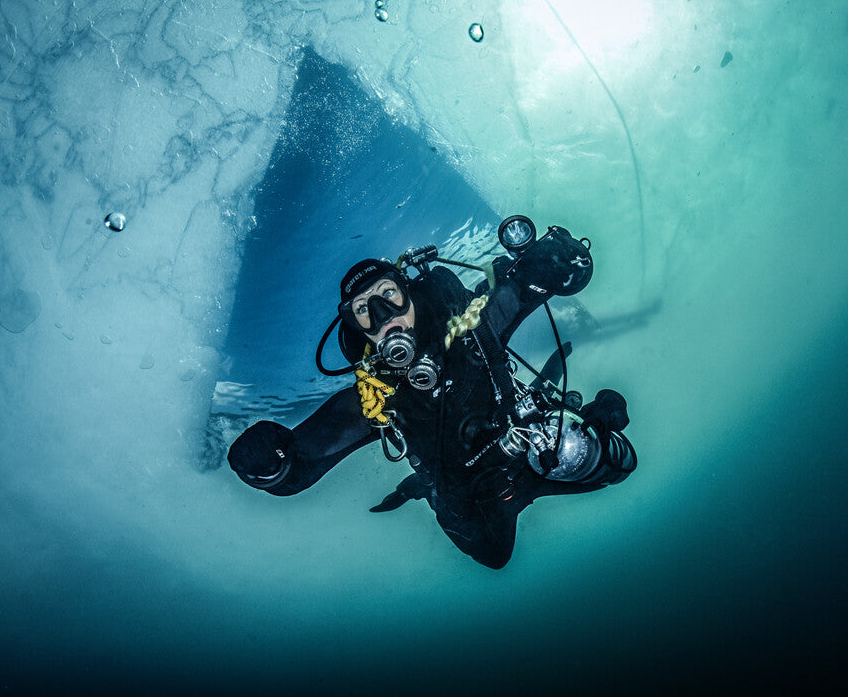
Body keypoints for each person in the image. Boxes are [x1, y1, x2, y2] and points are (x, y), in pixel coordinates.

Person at [227, 217, 637, 568]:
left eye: (388, 294)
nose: (383, 314)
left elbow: (529, 286)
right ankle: (433, 492)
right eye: (365, 309)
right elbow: (296, 468)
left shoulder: (472, 327)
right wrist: (268, 463)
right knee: (494, 555)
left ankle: (570, 440)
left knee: (617, 466)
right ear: (356, 327)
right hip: (469, 494)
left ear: (409, 293)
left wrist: (556, 264)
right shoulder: (374, 397)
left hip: (528, 439)